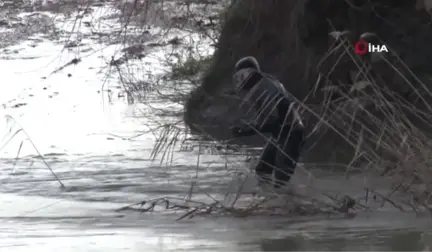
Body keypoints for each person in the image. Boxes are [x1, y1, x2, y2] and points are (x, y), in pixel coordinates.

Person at [231, 56, 306, 188]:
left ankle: (290, 203)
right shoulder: (261, 87)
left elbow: (273, 120)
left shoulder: (266, 87)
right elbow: (265, 119)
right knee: (262, 170)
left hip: (290, 132)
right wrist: (247, 128)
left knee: (281, 179)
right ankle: (267, 201)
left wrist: (247, 131)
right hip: (280, 133)